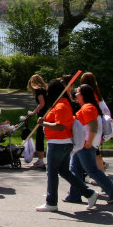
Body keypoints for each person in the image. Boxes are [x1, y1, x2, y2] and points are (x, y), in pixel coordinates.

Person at [35, 78, 99, 212]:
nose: (47, 94)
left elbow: (60, 126)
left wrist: (43, 123)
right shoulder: (60, 104)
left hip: (59, 143)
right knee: (64, 171)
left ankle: (51, 202)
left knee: (51, 173)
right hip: (61, 143)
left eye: (48, 91)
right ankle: (89, 193)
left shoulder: (62, 105)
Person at [66, 84, 113, 205]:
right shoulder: (87, 107)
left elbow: (93, 126)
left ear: (84, 95)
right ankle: (74, 195)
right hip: (82, 143)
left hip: (85, 144)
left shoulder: (88, 108)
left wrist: (90, 141)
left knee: (91, 170)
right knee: (74, 170)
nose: (76, 94)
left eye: (78, 92)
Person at [79, 72, 112, 172]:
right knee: (96, 152)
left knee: (95, 152)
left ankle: (99, 173)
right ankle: (99, 170)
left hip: (91, 126)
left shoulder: (89, 94)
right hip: (98, 124)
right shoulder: (96, 92)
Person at [25, 74, 48, 170]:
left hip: (43, 115)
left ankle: (40, 159)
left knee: (39, 136)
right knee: (41, 136)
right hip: (46, 114)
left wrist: (34, 112)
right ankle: (40, 159)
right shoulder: (45, 89)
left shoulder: (39, 91)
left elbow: (42, 103)